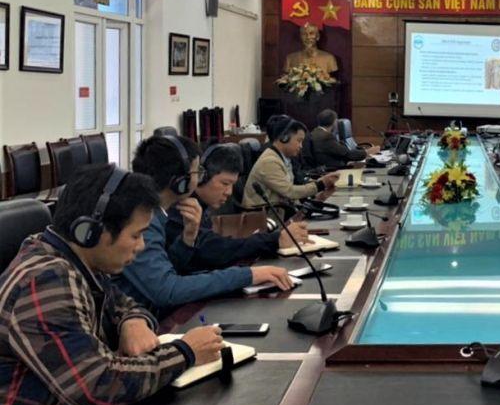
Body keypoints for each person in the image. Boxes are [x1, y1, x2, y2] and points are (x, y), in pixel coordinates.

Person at [0, 164, 223, 405]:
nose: (141, 246)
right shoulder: (45, 281)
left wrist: (133, 321)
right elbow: (97, 386)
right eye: (136, 235)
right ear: (91, 231)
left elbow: (122, 302)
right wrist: (186, 352)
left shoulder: (72, 255)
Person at [112, 136, 294, 317]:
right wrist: (248, 275)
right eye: (196, 171)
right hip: (142, 320)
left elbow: (167, 270)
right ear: (180, 180)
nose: (200, 177)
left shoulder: (157, 213)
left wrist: (187, 238)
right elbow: (168, 290)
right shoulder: (142, 219)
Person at [165, 143, 311, 270]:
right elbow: (213, 250)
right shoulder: (181, 208)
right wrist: (275, 240)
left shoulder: (200, 205)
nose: (229, 192)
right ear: (202, 177)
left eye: (232, 185)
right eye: (225, 183)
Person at [242, 116, 339, 217]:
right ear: (284, 138)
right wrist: (320, 185)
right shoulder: (269, 161)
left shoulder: (283, 158)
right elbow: (289, 192)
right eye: (299, 141)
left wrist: (319, 193)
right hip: (264, 219)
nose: (301, 146)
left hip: (279, 213)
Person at [310, 109, 380, 168]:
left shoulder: (314, 133)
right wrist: (368, 152)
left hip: (327, 167)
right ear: (334, 122)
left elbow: (336, 153)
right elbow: (347, 153)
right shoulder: (326, 137)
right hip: (332, 170)